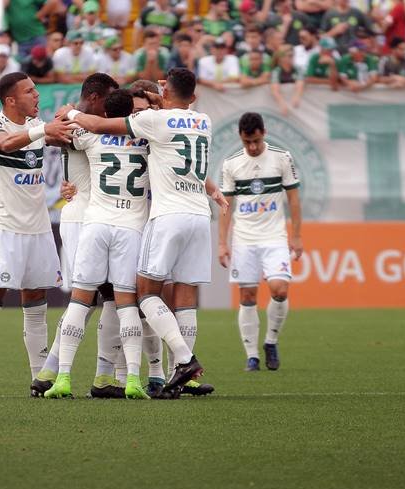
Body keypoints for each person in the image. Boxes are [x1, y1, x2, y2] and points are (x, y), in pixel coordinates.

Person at [60, 68, 221, 396]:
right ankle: (182, 377)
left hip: (164, 216)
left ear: (165, 92)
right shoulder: (203, 120)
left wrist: (71, 112)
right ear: (193, 96)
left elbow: (97, 125)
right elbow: (177, 107)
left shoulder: (152, 123)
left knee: (145, 293)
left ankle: (184, 360)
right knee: (185, 296)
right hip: (200, 216)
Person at [0, 72, 73, 397]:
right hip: (4, 227)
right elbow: (5, 143)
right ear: (11, 100)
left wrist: (72, 119)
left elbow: (71, 141)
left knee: (36, 304)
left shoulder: (38, 127)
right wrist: (43, 129)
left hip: (38, 229)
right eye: (30, 91)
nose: (37, 96)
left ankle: (40, 381)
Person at [43, 89, 150, 399]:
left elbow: (58, 129)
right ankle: (132, 379)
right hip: (130, 227)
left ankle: (62, 378)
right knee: (125, 303)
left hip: (95, 224)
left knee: (80, 300)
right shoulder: (146, 138)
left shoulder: (90, 137)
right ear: (132, 112)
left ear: (104, 113)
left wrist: (68, 111)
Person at [32, 72, 123, 399]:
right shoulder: (90, 126)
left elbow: (49, 133)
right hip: (92, 217)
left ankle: (49, 372)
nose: (111, 110)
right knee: (110, 295)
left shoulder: (67, 123)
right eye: (109, 101)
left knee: (87, 299)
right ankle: (101, 376)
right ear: (96, 98)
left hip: (75, 216)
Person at [218, 112, 302, 372]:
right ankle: (252, 355)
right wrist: (222, 243)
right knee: (247, 296)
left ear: (263, 133)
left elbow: (294, 200)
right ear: (240, 138)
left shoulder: (282, 157)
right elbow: (226, 206)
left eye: (255, 141)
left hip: (274, 236)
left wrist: (297, 236)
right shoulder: (231, 164)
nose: (252, 147)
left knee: (279, 289)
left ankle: (271, 341)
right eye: (247, 142)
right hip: (244, 239)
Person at [271, 46, 306, 114]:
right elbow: (275, 90)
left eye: (293, 55)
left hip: (296, 105)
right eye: (290, 56)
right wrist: (281, 103)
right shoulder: (276, 71)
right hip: (280, 107)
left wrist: (297, 96)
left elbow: (300, 84)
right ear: (282, 58)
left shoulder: (298, 69)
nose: (292, 58)